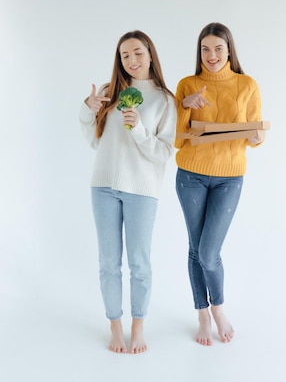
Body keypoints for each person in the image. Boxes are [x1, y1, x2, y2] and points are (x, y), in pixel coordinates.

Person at [79, 30, 176, 354]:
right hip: (104, 186)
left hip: (141, 190)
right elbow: (94, 139)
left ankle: (138, 326)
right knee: (108, 262)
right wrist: (88, 109)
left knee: (140, 263)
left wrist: (139, 129)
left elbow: (163, 152)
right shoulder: (111, 92)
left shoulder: (164, 99)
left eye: (137, 53)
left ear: (150, 54)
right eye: (125, 56)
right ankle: (115, 326)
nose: (132, 61)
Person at [174, 22, 265, 346]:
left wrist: (256, 137)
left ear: (229, 51)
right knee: (195, 247)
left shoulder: (246, 84)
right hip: (191, 175)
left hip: (229, 176)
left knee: (208, 252)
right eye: (205, 49)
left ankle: (218, 308)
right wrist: (185, 107)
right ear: (199, 52)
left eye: (218, 49)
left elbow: (255, 135)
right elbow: (175, 138)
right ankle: (201, 313)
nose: (211, 55)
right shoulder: (187, 84)